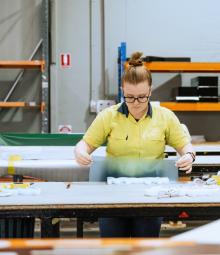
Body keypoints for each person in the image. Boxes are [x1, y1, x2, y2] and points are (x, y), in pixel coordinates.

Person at [74, 51, 195, 238]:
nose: (136, 103)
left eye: (142, 97)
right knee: (113, 248)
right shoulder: (109, 116)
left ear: (150, 91)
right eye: (130, 97)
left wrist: (189, 156)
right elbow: (84, 145)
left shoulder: (165, 117)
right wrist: (80, 152)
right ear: (122, 91)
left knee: (145, 247)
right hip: (112, 197)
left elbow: (186, 147)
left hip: (151, 196)